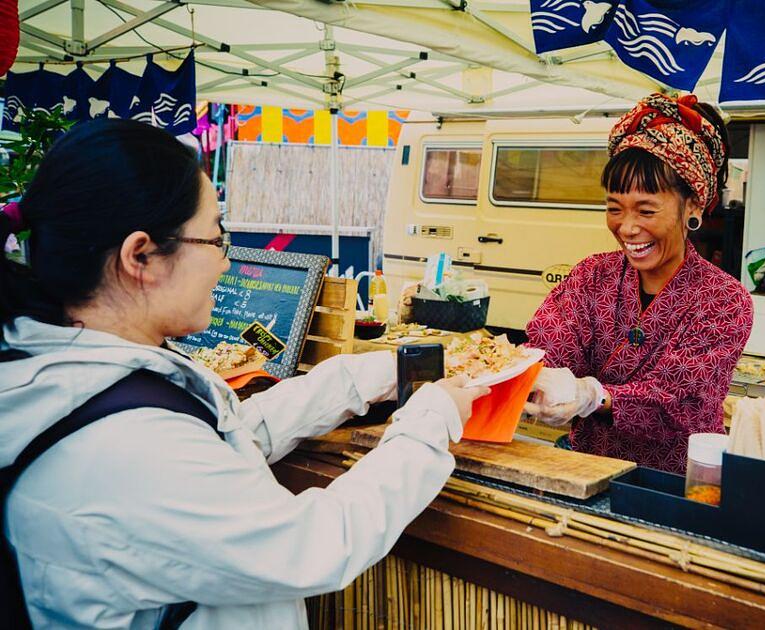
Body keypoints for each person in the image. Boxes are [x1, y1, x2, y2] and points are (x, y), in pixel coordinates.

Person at [0, 119, 488, 628]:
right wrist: (430, 423)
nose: (224, 262)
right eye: (215, 238)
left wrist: (366, 377)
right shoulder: (126, 446)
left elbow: (228, 437)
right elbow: (318, 546)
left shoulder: (72, 377)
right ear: (140, 256)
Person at [525, 94, 753, 474]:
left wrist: (592, 395)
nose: (627, 228)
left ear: (693, 206)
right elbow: (549, 346)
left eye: (647, 210)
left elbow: (679, 400)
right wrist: (529, 375)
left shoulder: (724, 300)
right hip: (586, 470)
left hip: (674, 480)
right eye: (614, 208)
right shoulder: (591, 276)